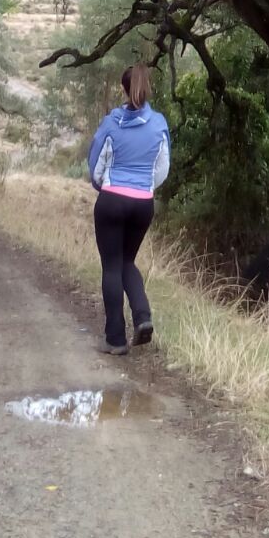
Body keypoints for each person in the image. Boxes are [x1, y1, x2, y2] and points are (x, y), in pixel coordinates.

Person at [87, 64, 170, 355]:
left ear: (123, 89)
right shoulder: (159, 124)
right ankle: (142, 315)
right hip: (143, 203)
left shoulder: (111, 123)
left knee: (112, 265)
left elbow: (96, 165)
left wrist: (105, 187)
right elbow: (162, 169)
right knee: (127, 262)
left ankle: (115, 340)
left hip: (112, 200)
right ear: (148, 88)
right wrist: (144, 188)